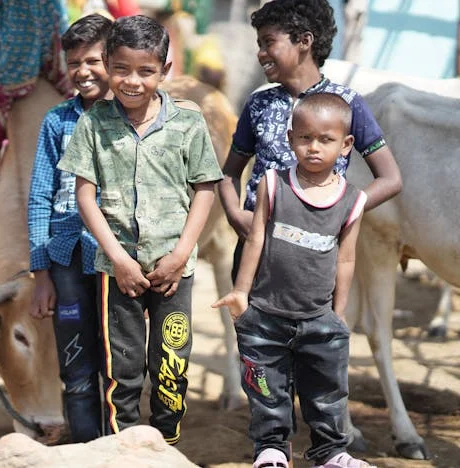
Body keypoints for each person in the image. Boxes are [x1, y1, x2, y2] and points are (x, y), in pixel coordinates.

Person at [57, 15, 223, 445]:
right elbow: (85, 196)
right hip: (119, 273)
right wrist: (118, 259)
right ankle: (124, 449)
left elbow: (205, 188)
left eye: (146, 71)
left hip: (174, 270)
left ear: (165, 70)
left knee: (171, 367)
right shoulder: (93, 124)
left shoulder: (187, 123)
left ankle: (165, 446)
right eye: (122, 70)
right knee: (122, 371)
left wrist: (182, 253)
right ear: (108, 64)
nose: (132, 81)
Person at [213, 93, 373, 468]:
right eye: (305, 138)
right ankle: (271, 449)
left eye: (326, 140)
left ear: (346, 145)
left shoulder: (352, 200)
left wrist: (339, 312)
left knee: (327, 390)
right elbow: (255, 239)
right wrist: (240, 291)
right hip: (266, 312)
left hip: (319, 316)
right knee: (266, 387)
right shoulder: (273, 184)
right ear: (290, 138)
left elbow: (346, 258)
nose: (313, 148)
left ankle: (330, 452)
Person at [217, 0, 402, 282]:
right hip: (255, 256)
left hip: (316, 260)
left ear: (304, 41)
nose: (260, 53)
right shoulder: (258, 103)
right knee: (250, 325)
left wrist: (343, 211)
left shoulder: (347, 104)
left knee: (312, 326)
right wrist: (234, 214)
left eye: (268, 42)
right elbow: (230, 172)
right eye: (259, 44)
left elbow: (390, 179)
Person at [27, 13, 113, 443]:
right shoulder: (57, 121)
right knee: (76, 360)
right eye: (74, 62)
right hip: (66, 257)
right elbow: (40, 197)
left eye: (93, 60)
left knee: (121, 360)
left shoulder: (130, 118)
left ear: (114, 59)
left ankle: (123, 443)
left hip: (120, 258)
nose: (82, 71)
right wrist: (41, 274)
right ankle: (85, 445)